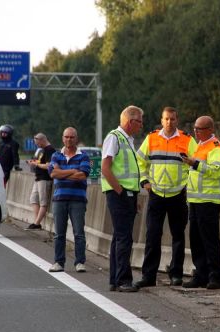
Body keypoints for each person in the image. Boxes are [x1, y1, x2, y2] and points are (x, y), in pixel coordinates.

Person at [135, 107, 197, 288]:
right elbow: (139, 161)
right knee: (152, 235)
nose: (169, 122)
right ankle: (148, 276)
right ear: (161, 120)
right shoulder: (151, 138)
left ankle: (176, 274)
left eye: (172, 119)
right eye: (166, 119)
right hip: (156, 195)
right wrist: (144, 181)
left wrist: (188, 184)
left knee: (178, 237)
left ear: (177, 121)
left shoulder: (187, 140)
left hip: (178, 195)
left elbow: (197, 162)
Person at [101, 105, 144, 293]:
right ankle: (123, 280)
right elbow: (105, 167)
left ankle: (114, 279)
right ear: (130, 121)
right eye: (140, 121)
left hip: (128, 194)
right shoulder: (115, 137)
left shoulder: (128, 140)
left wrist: (135, 194)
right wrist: (120, 191)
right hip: (119, 194)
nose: (141, 125)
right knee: (124, 238)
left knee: (119, 237)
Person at [180, 116, 220, 290]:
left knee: (210, 240)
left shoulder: (215, 148)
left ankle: (215, 277)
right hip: (195, 200)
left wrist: (195, 163)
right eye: (195, 128)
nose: (195, 131)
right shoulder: (200, 146)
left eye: (199, 129)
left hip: (208, 200)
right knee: (196, 240)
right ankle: (201, 275)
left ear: (209, 129)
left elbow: (216, 171)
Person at [47, 127, 91, 273]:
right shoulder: (56, 155)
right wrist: (73, 171)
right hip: (59, 199)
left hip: (77, 200)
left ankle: (80, 262)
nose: (69, 139)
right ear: (62, 138)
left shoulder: (83, 156)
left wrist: (63, 172)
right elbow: (53, 173)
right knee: (59, 233)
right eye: (66, 137)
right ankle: (59, 262)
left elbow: (82, 175)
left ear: (76, 138)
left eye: (72, 137)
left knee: (79, 233)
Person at [25, 133, 56, 230]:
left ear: (42, 140)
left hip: (45, 178)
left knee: (43, 202)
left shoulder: (50, 150)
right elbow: (39, 162)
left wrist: (36, 165)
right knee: (33, 199)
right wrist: (33, 163)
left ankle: (37, 223)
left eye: (37, 143)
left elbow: (48, 166)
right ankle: (37, 222)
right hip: (38, 177)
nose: (37, 145)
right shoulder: (41, 150)